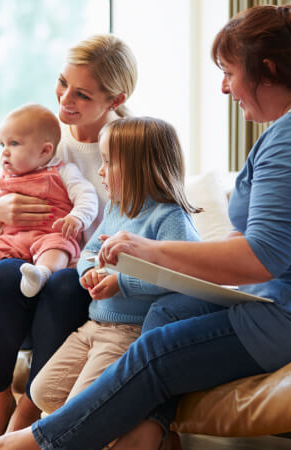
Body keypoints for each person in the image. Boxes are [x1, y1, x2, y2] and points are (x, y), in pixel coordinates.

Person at [0, 1, 291, 449]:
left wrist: (149, 253)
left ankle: (32, 443)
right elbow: (253, 236)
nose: (224, 87)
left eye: (230, 72)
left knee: (157, 352)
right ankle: (146, 436)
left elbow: (262, 257)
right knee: (169, 312)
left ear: (267, 70)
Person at [0, 34, 138, 445]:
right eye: (63, 83)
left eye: (81, 93)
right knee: (4, 274)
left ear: (116, 99)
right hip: (29, 258)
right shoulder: (44, 132)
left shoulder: (129, 143)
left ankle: (29, 408)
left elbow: (142, 220)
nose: (65, 100)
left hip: (87, 273)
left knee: (64, 284)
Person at [30, 117, 202, 415]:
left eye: (108, 162)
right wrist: (88, 273)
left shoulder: (170, 218)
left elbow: (180, 278)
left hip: (128, 333)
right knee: (42, 393)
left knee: (78, 408)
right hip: (94, 325)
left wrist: (121, 282)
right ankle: (115, 425)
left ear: (140, 168)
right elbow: (88, 253)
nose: (100, 171)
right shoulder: (116, 209)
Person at [0, 104, 98, 323]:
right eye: (2, 144)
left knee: (60, 247)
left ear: (45, 151)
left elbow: (87, 196)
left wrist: (78, 217)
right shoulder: (2, 176)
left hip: (49, 233)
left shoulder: (63, 171)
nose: (4, 151)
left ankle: (41, 274)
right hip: (11, 239)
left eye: (14, 144)